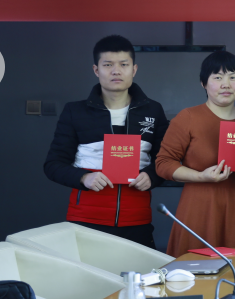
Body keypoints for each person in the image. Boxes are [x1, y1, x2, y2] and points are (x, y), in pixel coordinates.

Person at [43, 35, 168, 248]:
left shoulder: (153, 111)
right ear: (96, 70)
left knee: (140, 270)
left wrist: (152, 176)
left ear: (134, 69)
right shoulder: (75, 111)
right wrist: (84, 177)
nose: (116, 71)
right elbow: (53, 165)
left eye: (123, 65)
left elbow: (164, 160)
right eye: (108, 65)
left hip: (137, 220)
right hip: (85, 220)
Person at [154, 51, 235, 256]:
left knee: (234, 272)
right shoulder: (188, 117)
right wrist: (200, 176)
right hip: (198, 209)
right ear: (203, 83)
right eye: (217, 77)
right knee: (193, 271)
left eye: (233, 77)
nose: (226, 84)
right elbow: (163, 163)